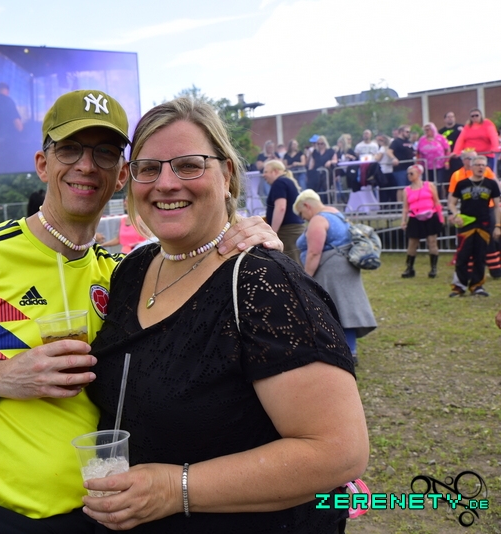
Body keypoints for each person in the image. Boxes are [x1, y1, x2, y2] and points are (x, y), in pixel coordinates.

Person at [0, 89, 282, 533]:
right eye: (69, 149)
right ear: (43, 164)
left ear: (121, 175)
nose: (86, 165)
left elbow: (191, 275)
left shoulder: (124, 277)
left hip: (92, 516)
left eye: (105, 153)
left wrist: (242, 236)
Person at [82, 98, 369, 533]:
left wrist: (174, 488)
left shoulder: (263, 282)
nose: (166, 183)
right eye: (148, 168)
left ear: (227, 174)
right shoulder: (131, 272)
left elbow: (338, 452)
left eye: (189, 165)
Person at [294, 189, 377, 363]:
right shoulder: (336, 213)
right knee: (347, 310)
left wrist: (306, 278)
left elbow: (314, 253)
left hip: (330, 270)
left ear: (307, 206)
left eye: (302, 214)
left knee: (335, 310)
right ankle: (350, 351)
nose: (303, 219)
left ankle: (340, 351)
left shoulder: (318, 219)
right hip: (344, 268)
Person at [447, 155, 501, 297]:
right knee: (463, 255)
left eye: (483, 165)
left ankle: (477, 286)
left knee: (480, 255)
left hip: (484, 224)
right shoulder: (462, 184)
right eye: (477, 164)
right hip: (466, 224)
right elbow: (451, 203)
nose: (480, 167)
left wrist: (498, 225)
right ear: (471, 167)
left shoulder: (491, 184)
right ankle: (459, 286)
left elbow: (497, 206)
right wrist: (456, 215)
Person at [400, 164, 444, 278]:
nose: (409, 176)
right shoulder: (407, 190)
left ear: (419, 174)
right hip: (415, 217)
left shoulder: (429, 185)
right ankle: (409, 268)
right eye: (408, 174)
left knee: (432, 241)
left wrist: (441, 217)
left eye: (411, 173)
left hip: (430, 216)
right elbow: (405, 207)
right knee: (412, 243)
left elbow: (437, 202)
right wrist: (403, 220)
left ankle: (433, 268)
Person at [263, 160, 305, 264]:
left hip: (287, 232)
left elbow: (281, 207)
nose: (264, 175)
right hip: (294, 230)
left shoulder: (279, 183)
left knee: (292, 265)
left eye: (266, 171)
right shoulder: (288, 181)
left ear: (275, 171)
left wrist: (273, 233)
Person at [0, 82, 24, 167]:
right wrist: (21, 132)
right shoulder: (7, 101)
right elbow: (17, 122)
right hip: (7, 142)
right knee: (10, 164)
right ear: (6, 90)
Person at [453, 109, 499, 174]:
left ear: (481, 116)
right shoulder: (467, 126)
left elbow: (493, 136)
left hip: (486, 155)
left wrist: (495, 148)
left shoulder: (488, 124)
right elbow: (460, 140)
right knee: (471, 174)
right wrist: (456, 152)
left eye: (476, 115)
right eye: (472, 116)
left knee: (486, 174)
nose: (474, 117)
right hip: (470, 157)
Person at [416, 122, 451, 188]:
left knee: (438, 185)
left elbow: (447, 149)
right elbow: (418, 152)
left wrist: (447, 162)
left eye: (428, 129)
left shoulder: (440, 138)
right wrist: (418, 164)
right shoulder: (422, 139)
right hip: (426, 166)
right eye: (425, 130)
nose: (426, 131)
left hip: (439, 166)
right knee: (427, 185)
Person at [306, 135, 337, 203]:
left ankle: (329, 202)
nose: (320, 145)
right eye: (318, 144)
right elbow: (312, 164)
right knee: (316, 188)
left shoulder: (330, 151)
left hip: (327, 172)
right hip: (317, 173)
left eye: (322, 143)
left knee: (326, 187)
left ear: (325, 143)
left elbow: (335, 160)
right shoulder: (315, 152)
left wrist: (330, 161)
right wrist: (309, 173)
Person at [388, 125, 416, 195]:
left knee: (410, 187)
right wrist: (394, 158)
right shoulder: (396, 142)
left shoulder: (408, 142)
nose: (408, 133)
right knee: (401, 187)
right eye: (407, 132)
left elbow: (413, 152)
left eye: (409, 132)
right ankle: (400, 201)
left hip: (410, 168)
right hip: (400, 169)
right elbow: (389, 151)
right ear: (401, 132)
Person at [440, 111, 464, 179]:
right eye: (448, 117)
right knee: (448, 177)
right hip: (447, 158)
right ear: (445, 119)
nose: (450, 118)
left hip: (459, 157)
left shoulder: (461, 128)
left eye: (452, 117)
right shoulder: (440, 132)